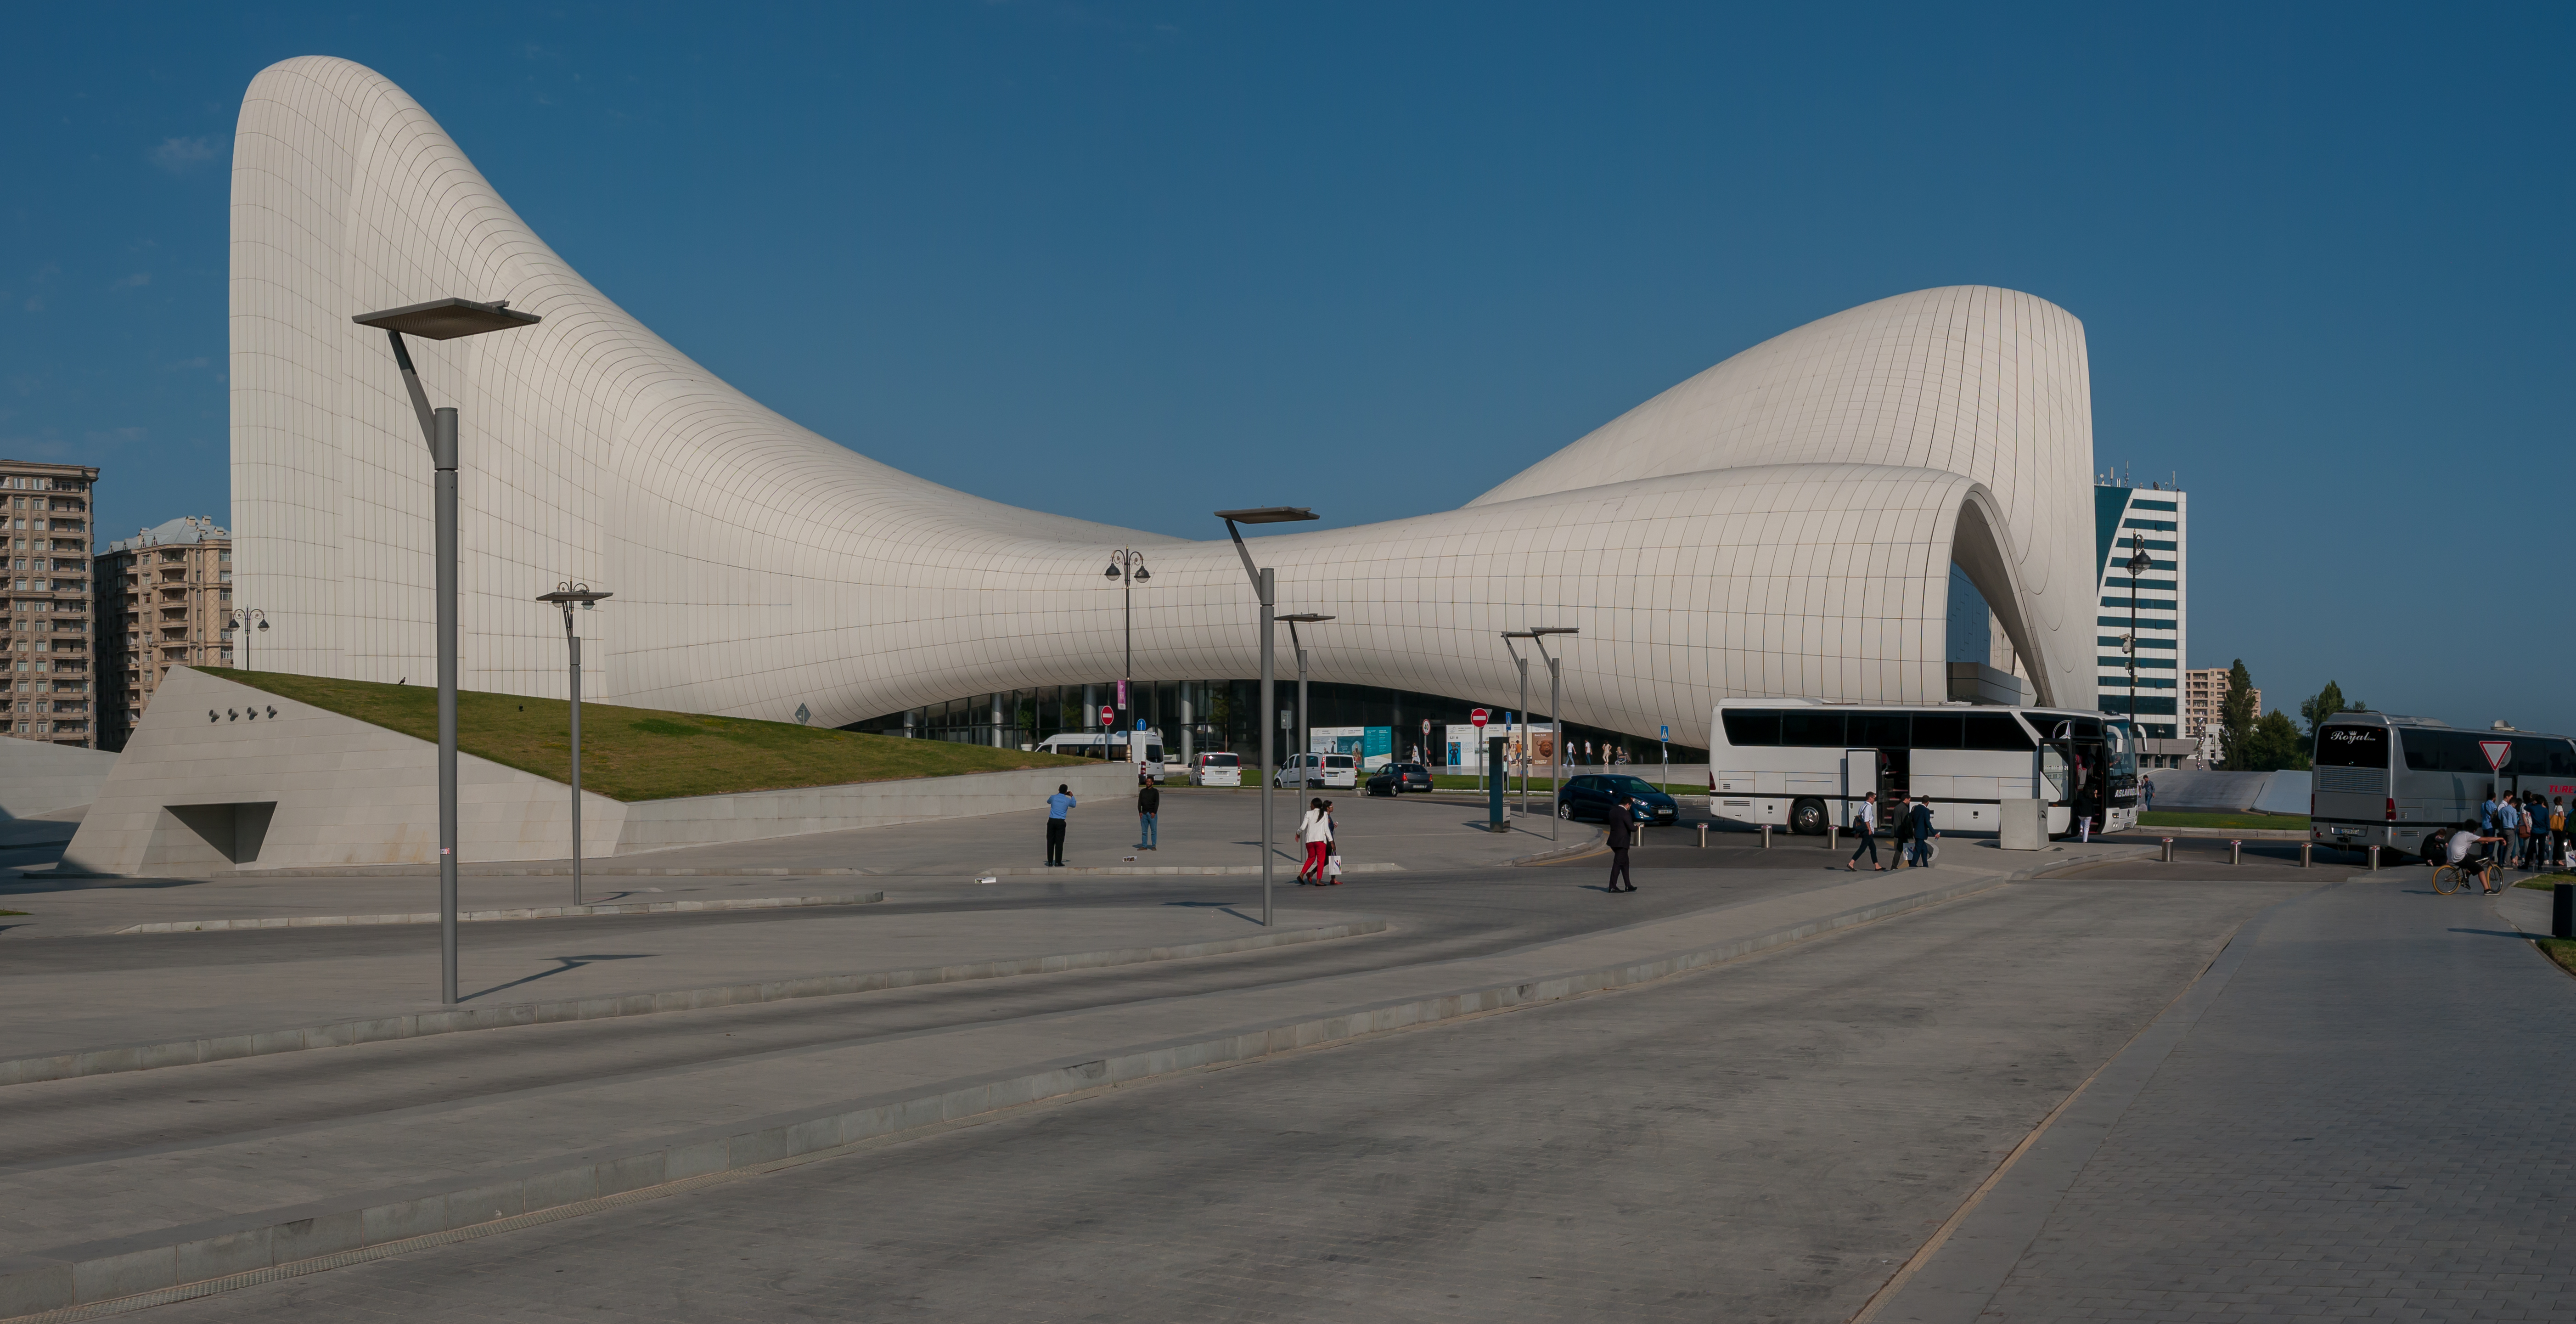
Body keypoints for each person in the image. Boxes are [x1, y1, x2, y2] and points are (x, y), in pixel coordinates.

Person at [2446, 819, 2505, 893]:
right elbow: (2488, 839)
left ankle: (2466, 879)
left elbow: (2469, 841)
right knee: (2480, 869)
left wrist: (2480, 841)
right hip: (2459, 857)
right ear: (2474, 831)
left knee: (2476, 860)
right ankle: (2487, 890)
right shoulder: (2469, 835)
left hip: (2451, 856)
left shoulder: (2460, 833)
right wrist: (2500, 838)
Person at [1605, 794, 1637, 892]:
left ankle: (1628, 885)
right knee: (1618, 864)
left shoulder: (1613, 811)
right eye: (1630, 806)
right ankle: (1613, 887)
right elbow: (1631, 828)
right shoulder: (1625, 814)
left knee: (1625, 863)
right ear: (1628, 805)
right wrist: (1637, 827)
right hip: (1622, 843)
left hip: (1613, 842)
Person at [1296, 797, 1331, 883]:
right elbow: (1326, 830)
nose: (1310, 806)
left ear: (1314, 805)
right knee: (1321, 860)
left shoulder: (1308, 813)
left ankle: (1302, 874)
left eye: (1311, 804)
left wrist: (1298, 833)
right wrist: (1331, 841)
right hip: (1320, 841)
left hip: (1309, 841)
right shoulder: (1325, 814)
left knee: (1311, 858)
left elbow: (1303, 827)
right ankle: (1319, 880)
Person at [1845, 791, 1883, 871]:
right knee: (1862, 848)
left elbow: (1860, 821)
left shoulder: (1862, 806)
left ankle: (1877, 866)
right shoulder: (1868, 807)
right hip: (1867, 831)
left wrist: (1857, 832)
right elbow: (1866, 821)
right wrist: (1870, 830)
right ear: (1870, 798)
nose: (1874, 800)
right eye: (1874, 798)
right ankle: (1851, 863)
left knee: (1873, 848)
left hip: (1863, 830)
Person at [1045, 783, 1076, 867]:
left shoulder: (1053, 797)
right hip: (1061, 823)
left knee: (1050, 842)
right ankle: (1058, 862)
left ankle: (1050, 862)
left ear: (1059, 790)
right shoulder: (1067, 800)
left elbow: (1048, 802)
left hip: (1051, 821)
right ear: (1066, 791)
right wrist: (1072, 796)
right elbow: (1074, 805)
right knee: (1059, 843)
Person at [1906, 794, 1937, 868]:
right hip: (1921, 834)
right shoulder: (1926, 811)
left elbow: (1912, 819)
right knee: (1918, 850)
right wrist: (1935, 833)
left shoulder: (1916, 808)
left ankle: (1926, 866)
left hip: (1916, 832)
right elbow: (1928, 823)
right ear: (1928, 802)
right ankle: (1912, 866)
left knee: (1925, 850)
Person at [1135, 772, 1159, 851]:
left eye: (1149, 782)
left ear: (1152, 783)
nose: (1148, 783)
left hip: (1152, 814)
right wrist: (1140, 812)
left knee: (1153, 831)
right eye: (1147, 782)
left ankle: (1153, 846)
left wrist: (1154, 812)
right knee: (1144, 832)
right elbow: (1140, 802)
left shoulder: (1155, 791)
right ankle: (1144, 846)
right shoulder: (1143, 791)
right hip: (1144, 814)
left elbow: (1157, 803)